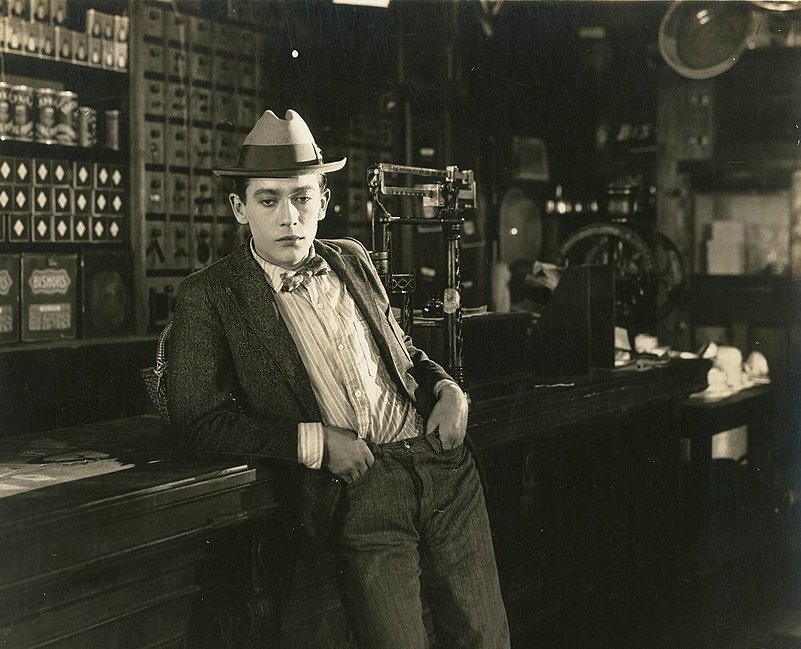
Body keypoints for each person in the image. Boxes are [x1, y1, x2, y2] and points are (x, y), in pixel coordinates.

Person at [167, 109, 510, 649]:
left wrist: (448, 388)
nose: (289, 218)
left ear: (324, 202)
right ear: (240, 208)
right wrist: (314, 443)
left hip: (444, 470)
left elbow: (403, 352)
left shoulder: (351, 258)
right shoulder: (211, 295)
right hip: (361, 487)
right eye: (268, 200)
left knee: (485, 641)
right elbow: (197, 419)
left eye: (303, 198)